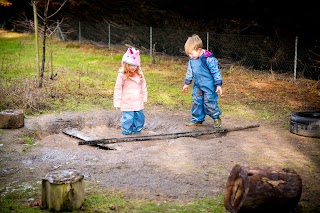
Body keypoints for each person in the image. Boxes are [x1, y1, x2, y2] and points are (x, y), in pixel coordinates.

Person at [182, 34, 223, 128]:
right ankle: (197, 119)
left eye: (192, 53)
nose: (191, 56)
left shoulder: (208, 59)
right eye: (189, 54)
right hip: (198, 85)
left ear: (199, 50)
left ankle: (216, 117)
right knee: (196, 101)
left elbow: (216, 72)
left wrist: (218, 85)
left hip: (209, 86)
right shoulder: (192, 60)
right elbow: (190, 71)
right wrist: (186, 84)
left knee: (209, 101)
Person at [113, 47, 148, 135]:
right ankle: (126, 131)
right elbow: (118, 89)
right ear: (125, 64)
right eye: (130, 65)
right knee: (128, 118)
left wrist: (144, 97)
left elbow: (144, 85)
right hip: (127, 100)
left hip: (138, 100)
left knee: (140, 117)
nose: (133, 67)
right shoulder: (122, 75)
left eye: (135, 65)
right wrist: (117, 102)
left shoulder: (140, 74)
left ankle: (137, 130)